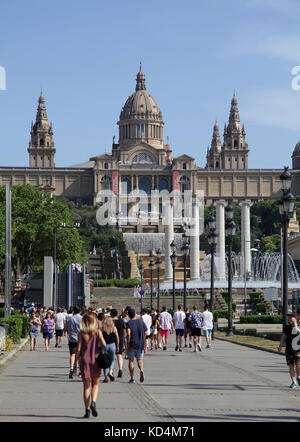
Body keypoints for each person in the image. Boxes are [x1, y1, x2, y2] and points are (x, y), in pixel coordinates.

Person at [75, 313, 106, 418]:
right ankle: (93, 402)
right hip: (96, 359)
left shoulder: (81, 333)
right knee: (95, 384)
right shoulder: (97, 332)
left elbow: (78, 350)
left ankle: (87, 410)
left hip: (84, 361)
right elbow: (104, 344)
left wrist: (74, 364)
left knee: (86, 386)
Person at [278, 313, 300, 388]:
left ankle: (299, 377)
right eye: (289, 318)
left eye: (291, 318)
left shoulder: (299, 327)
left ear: (295, 319)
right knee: (291, 366)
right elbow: (283, 336)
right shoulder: (287, 328)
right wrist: (280, 345)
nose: (289, 319)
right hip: (289, 350)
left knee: (298, 364)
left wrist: (297, 329)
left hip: (298, 350)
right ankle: (293, 381)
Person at [126, 308, 147, 383]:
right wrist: (144, 343)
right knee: (139, 360)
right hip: (140, 344)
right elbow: (145, 333)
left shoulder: (129, 323)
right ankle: (141, 370)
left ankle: (132, 378)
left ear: (128, 315)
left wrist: (128, 344)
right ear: (135, 314)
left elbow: (128, 333)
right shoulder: (141, 322)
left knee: (131, 361)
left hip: (132, 344)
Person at [65, 306, 82, 379]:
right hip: (81, 339)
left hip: (72, 338)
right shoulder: (82, 318)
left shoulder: (69, 319)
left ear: (73, 311)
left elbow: (66, 328)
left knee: (72, 354)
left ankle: (72, 367)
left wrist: (68, 333)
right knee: (80, 356)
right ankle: (81, 370)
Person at [101, 316, 119, 383]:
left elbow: (100, 337)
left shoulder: (102, 328)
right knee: (112, 360)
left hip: (104, 345)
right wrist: (118, 346)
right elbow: (117, 337)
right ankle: (110, 372)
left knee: (105, 361)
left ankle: (105, 377)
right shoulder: (114, 328)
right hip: (112, 345)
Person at [111, 309, 125, 378]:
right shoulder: (121, 321)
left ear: (111, 314)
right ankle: (120, 369)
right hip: (120, 339)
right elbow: (124, 331)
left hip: (111, 340)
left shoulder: (110, 321)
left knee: (111, 356)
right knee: (119, 355)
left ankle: (111, 370)